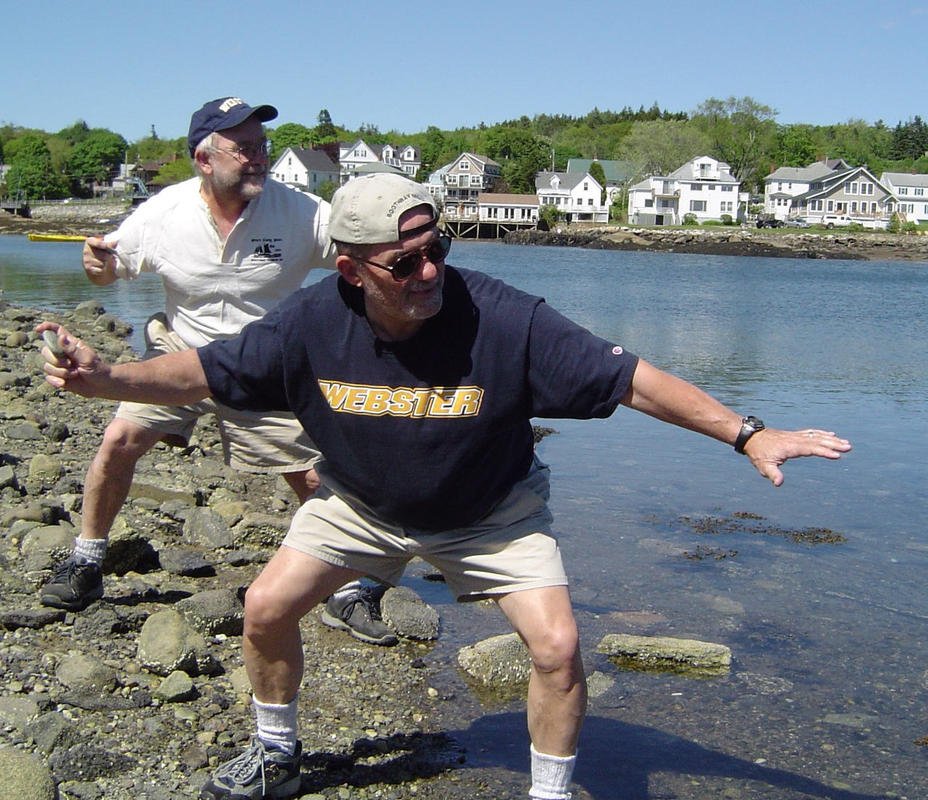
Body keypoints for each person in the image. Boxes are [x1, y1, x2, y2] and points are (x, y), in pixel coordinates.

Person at [39, 173, 852, 800]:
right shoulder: (311, 323)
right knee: (264, 608)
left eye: (441, 247)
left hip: (490, 513)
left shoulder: (504, 318)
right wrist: (106, 375)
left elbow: (633, 382)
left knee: (560, 648)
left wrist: (749, 433)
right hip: (358, 506)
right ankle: (277, 753)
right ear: (353, 269)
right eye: (407, 261)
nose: (431, 269)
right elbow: (203, 373)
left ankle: (549, 789)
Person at [38, 96, 394, 647]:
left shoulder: (300, 212)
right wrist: (96, 266)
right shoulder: (164, 211)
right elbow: (109, 269)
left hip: (265, 365)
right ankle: (85, 562)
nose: (259, 158)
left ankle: (343, 592)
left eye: (262, 147)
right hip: (182, 354)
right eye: (244, 148)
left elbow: (361, 257)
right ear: (205, 159)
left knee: (312, 477)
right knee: (119, 439)